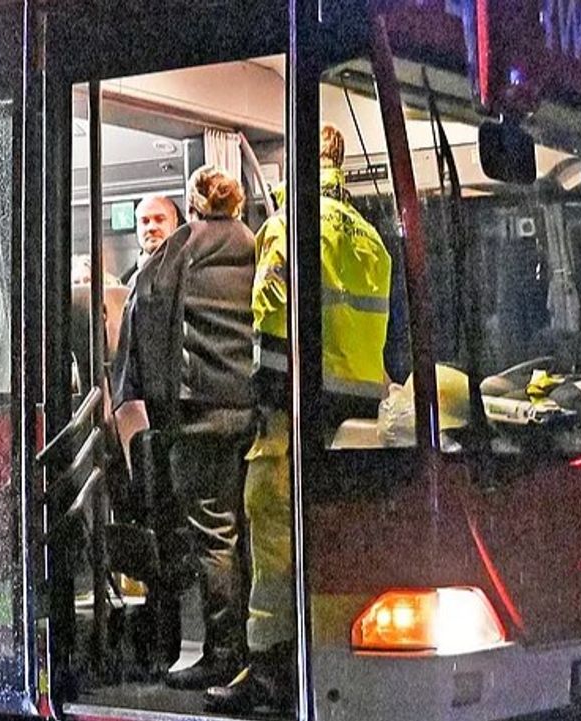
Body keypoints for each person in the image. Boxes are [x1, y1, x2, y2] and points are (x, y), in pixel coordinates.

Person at [205, 125, 391, 712]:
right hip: (357, 415)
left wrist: (265, 402)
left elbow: (272, 320)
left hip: (293, 412)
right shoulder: (369, 237)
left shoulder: (287, 229)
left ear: (301, 164)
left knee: (272, 536)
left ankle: (267, 672)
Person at [112, 166, 257, 689]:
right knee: (241, 535)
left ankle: (222, 653)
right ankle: (252, 645)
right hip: (244, 411)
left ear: (192, 205)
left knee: (212, 536)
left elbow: (144, 309)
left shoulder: (182, 247)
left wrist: (145, 397)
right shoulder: (254, 242)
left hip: (196, 415)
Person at [120, 195, 184, 285]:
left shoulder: (190, 270)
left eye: (160, 220)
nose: (152, 227)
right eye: (145, 221)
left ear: (175, 222)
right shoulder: (125, 283)